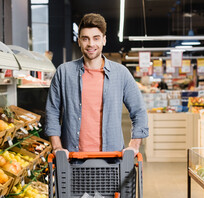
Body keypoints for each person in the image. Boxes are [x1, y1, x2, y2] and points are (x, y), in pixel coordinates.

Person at [45, 13, 148, 158]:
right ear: (79, 41)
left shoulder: (121, 73)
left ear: (104, 40)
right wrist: (57, 147)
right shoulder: (64, 72)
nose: (91, 44)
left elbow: (139, 111)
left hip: (111, 159)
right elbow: (52, 112)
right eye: (85, 38)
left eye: (96, 38)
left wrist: (134, 146)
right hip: (72, 159)